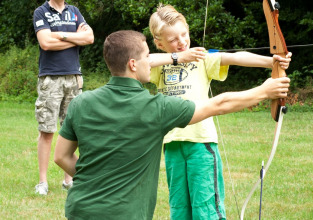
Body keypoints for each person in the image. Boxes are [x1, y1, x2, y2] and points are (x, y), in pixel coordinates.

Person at [53, 30, 290, 220]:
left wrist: (96, 179)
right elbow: (219, 104)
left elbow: (61, 156)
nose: (152, 61)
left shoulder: (81, 103)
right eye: (147, 56)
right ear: (134, 64)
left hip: (79, 210)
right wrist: (265, 90)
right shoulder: (155, 108)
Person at [149, 4, 292, 219]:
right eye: (172, 40)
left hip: (201, 143)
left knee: (206, 208)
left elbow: (234, 57)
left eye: (184, 34)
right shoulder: (160, 65)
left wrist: (271, 61)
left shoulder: (201, 57)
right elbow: (140, 61)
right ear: (159, 43)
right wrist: (177, 57)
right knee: (179, 209)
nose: (181, 42)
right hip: (172, 145)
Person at [33, 0, 94, 195]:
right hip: (50, 78)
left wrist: (60, 35)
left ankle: (68, 180)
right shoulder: (41, 12)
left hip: (74, 78)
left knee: (72, 130)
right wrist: (76, 37)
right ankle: (42, 182)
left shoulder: (74, 12)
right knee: (47, 129)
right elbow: (45, 43)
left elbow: (90, 38)